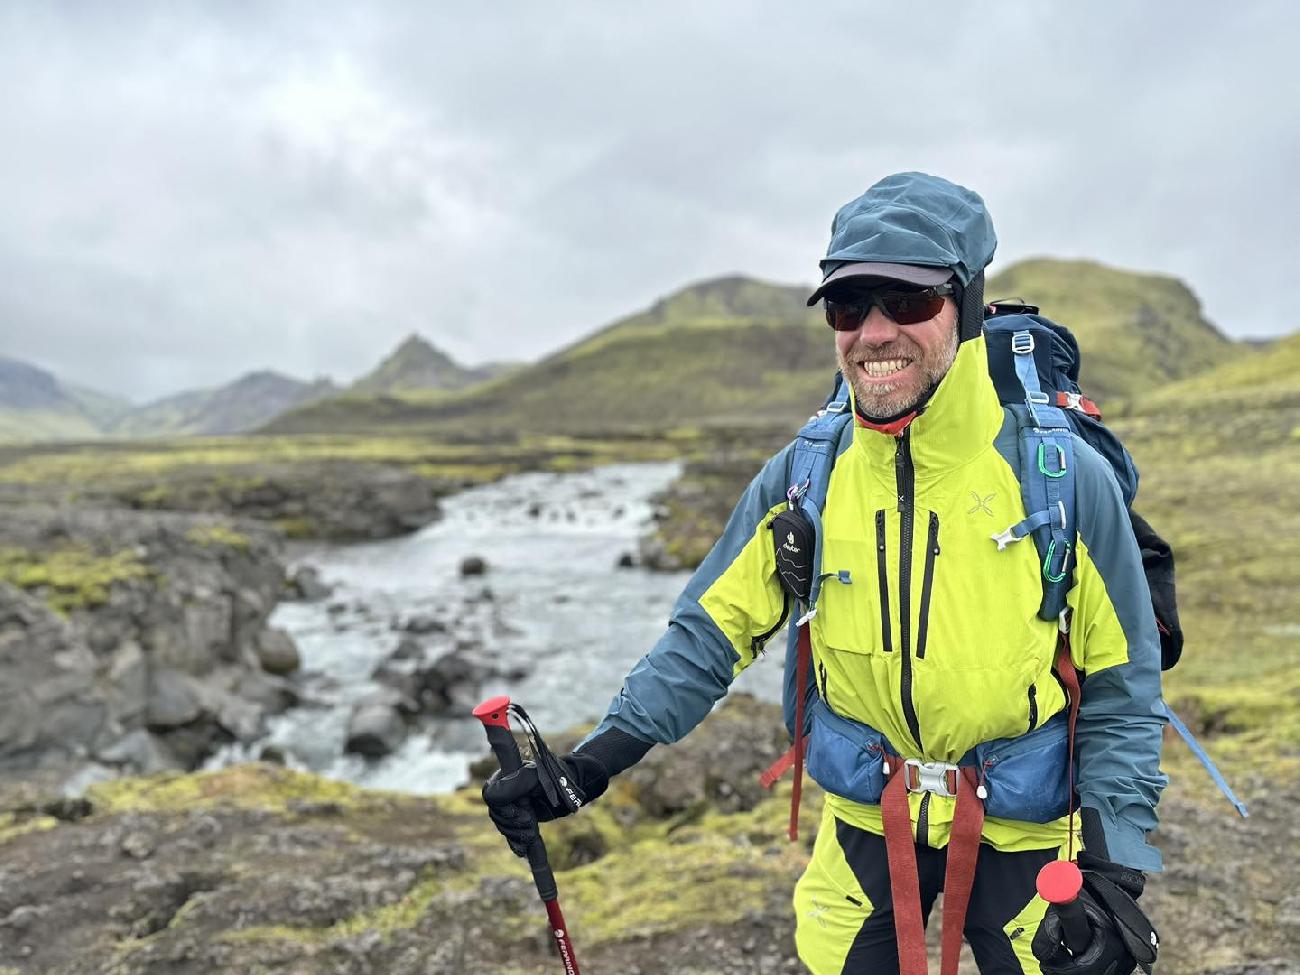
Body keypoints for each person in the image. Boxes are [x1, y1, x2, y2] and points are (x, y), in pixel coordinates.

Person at [483, 172, 1166, 975]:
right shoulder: (805, 475)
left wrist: (1113, 869)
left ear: (969, 305)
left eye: (907, 302)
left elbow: (1123, 686)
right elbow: (709, 633)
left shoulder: (1060, 481)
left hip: (1025, 821)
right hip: (865, 820)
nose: (874, 333)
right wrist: (591, 765)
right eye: (849, 306)